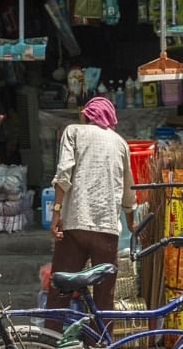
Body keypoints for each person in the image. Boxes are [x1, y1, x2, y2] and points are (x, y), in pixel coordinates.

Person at [48, 97, 136, 329]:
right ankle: (99, 345)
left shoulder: (73, 131)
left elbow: (63, 175)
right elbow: (128, 193)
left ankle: (47, 342)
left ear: (87, 115)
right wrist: (132, 223)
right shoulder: (120, 143)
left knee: (59, 292)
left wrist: (56, 215)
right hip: (106, 229)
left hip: (75, 224)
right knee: (104, 299)